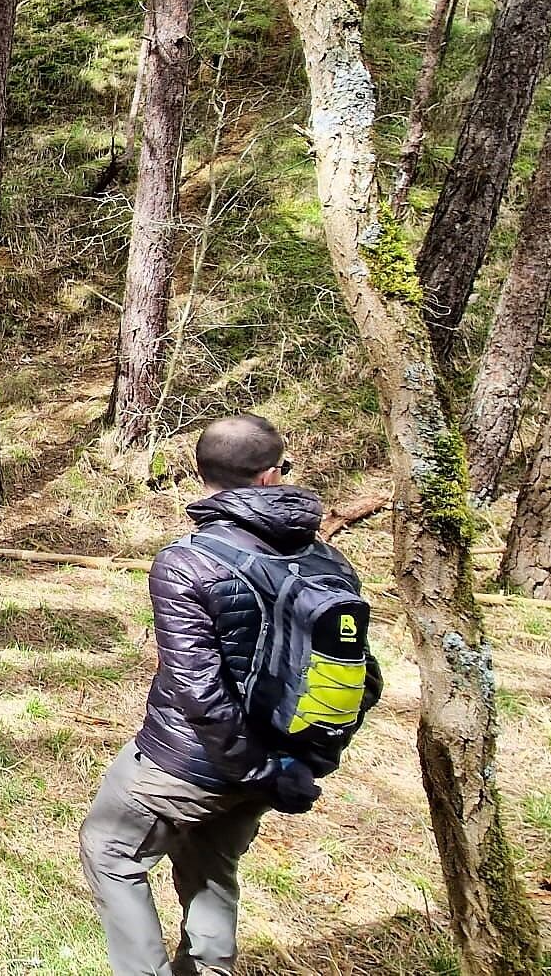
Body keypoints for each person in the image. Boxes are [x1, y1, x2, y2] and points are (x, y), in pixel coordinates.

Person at [80, 414, 381, 976]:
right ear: (271, 475)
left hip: (191, 763)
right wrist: (289, 763)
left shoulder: (186, 561)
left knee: (111, 851)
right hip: (282, 757)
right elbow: (365, 676)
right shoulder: (329, 559)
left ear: (201, 474)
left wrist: (256, 767)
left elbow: (197, 689)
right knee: (212, 868)